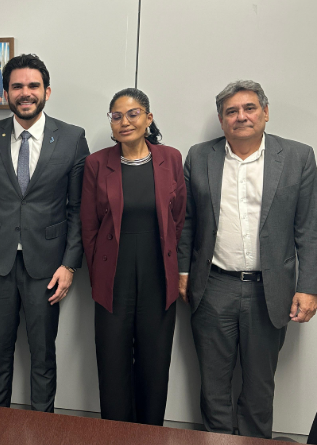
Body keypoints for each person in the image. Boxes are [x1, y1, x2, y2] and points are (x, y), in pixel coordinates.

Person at [178, 80, 317, 438]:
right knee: (213, 387)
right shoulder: (199, 156)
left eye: (249, 108)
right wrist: (183, 271)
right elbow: (187, 221)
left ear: (265, 113)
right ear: (221, 119)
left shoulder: (298, 157)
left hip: (269, 291)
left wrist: (309, 287)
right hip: (213, 288)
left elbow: (310, 228)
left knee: (259, 390)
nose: (241, 116)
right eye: (231, 111)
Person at [0, 53, 89, 412]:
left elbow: (78, 208)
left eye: (33, 85)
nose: (25, 92)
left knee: (43, 354)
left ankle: (43, 426)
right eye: (17, 86)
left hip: (47, 266)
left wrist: (70, 264)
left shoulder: (72, 138)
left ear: (47, 90)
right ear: (6, 93)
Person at [80, 88, 186, 424]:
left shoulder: (171, 158)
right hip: (113, 276)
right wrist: (98, 277)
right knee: (112, 363)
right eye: (116, 116)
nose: (124, 122)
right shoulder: (97, 163)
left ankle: (150, 433)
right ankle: (115, 435)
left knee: (155, 363)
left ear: (148, 118)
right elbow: (89, 227)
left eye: (133, 114)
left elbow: (179, 218)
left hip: (159, 274)